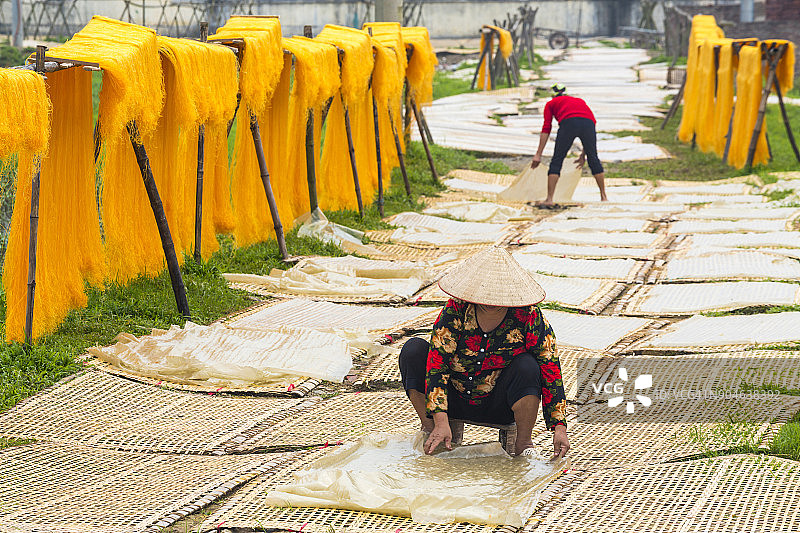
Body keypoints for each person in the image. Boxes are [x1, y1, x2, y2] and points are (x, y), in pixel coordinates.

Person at [398, 246, 570, 458]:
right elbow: (437, 362)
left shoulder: (528, 316)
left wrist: (559, 427)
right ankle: (433, 427)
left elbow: (550, 367)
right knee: (413, 350)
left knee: (528, 366)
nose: (490, 302)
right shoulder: (456, 309)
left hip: (499, 402)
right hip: (454, 396)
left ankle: (523, 442)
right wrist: (440, 419)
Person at [530, 83, 608, 206]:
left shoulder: (551, 104)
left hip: (569, 123)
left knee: (557, 159)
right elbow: (589, 120)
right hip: (589, 123)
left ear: (552, 95)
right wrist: (584, 154)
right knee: (593, 158)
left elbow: (546, 128)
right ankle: (604, 197)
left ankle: (549, 199)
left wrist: (538, 155)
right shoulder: (579, 100)